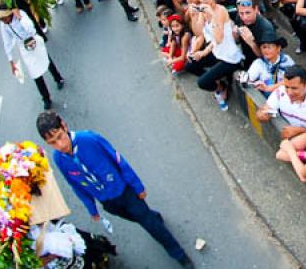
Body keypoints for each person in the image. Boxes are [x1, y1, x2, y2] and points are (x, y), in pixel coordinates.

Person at [35, 111, 193, 267]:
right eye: (53, 143)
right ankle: (152, 217)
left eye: (60, 137)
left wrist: (137, 187)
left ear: (64, 125)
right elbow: (75, 185)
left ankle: (178, 253)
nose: (60, 145)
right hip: (108, 202)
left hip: (125, 192)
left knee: (150, 225)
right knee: (142, 218)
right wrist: (92, 209)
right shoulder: (59, 159)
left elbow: (119, 161)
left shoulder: (89, 139)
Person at [0, 6, 65, 109]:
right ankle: (46, 98)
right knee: (34, 73)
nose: (2, 21)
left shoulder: (21, 14)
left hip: (33, 40)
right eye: (1, 19)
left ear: (9, 13)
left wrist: (20, 17)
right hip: (24, 47)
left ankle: (58, 78)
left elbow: (31, 29)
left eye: (3, 18)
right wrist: (11, 61)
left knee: (46, 61)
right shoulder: (4, 25)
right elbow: (6, 42)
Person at [194, 0, 245, 110]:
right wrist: (198, 14)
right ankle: (218, 78)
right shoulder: (204, 10)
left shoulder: (220, 10)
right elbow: (199, 32)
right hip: (216, 51)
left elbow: (219, 38)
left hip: (230, 57)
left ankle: (221, 87)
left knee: (202, 82)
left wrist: (212, 15)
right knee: (191, 65)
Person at [246, 32, 294, 97]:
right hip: (267, 100)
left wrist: (271, 88)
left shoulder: (286, 60)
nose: (266, 50)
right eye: (264, 47)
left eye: (269, 47)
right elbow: (248, 79)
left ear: (278, 48)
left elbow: (294, 79)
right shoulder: (259, 63)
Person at [235, 0, 275, 64]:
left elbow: (267, 57)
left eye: (248, 13)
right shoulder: (239, 18)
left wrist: (251, 42)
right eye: (241, 13)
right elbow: (238, 41)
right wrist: (235, 35)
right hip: (246, 58)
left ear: (256, 9)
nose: (244, 17)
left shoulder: (266, 28)